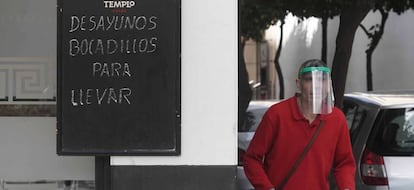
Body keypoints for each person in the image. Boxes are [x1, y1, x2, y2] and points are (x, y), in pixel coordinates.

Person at [243, 59, 355, 190]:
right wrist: (266, 187)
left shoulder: (337, 119)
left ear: (329, 84)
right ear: (298, 84)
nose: (316, 86)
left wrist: (347, 186)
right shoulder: (277, 115)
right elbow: (251, 159)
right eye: (309, 80)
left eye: (322, 80)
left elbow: (344, 163)